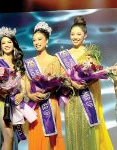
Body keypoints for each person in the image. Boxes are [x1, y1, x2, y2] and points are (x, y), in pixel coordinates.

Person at [55, 16, 113, 150]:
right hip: (72, 100)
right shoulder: (64, 55)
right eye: (72, 34)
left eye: (78, 34)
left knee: (88, 132)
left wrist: (88, 81)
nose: (75, 37)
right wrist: (71, 83)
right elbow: (60, 77)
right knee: (73, 132)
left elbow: (97, 75)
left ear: (85, 35)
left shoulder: (90, 54)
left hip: (87, 99)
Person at [24, 22, 65, 150]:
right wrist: (31, 94)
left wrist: (50, 89)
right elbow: (26, 84)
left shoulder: (55, 60)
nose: (36, 42)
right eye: (34, 40)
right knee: (36, 137)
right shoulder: (30, 63)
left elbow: (60, 82)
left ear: (47, 40)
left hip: (50, 103)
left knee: (49, 139)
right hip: (35, 105)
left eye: (39, 39)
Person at [0, 26, 25, 150]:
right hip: (1, 103)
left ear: (14, 43)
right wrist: (1, 91)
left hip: (14, 105)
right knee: (8, 136)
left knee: (11, 137)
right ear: (0, 45)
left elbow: (23, 84)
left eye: (9, 42)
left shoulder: (18, 62)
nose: (6, 45)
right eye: (3, 42)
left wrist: (21, 95)